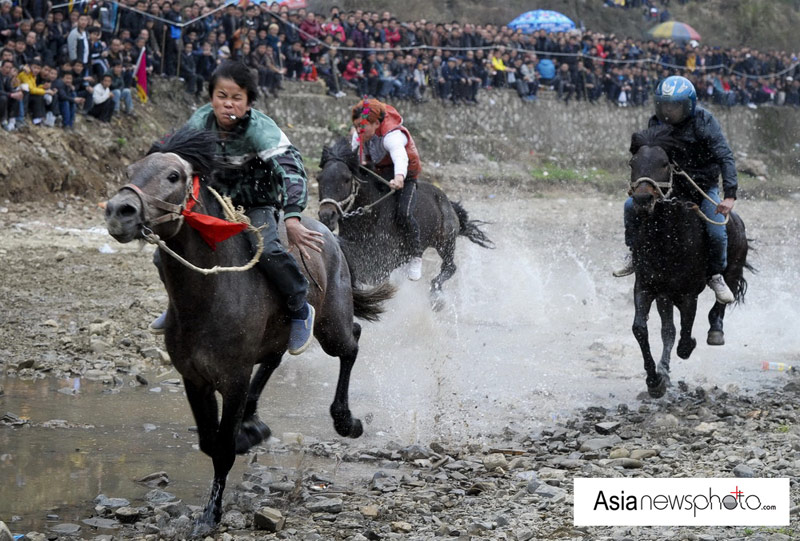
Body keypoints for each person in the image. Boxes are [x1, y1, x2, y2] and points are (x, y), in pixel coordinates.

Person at [150, 61, 323, 355]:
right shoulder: (200, 122)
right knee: (162, 252)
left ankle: (299, 305)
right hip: (213, 200)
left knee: (268, 249)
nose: (227, 104)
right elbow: (170, 153)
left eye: (236, 97)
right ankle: (176, 306)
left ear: (248, 102)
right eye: (221, 96)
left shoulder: (261, 130)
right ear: (211, 97)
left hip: (255, 202)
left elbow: (292, 169)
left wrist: (293, 216)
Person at [614, 75, 737, 304]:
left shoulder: (704, 121)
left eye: (675, 106)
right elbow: (649, 157)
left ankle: (716, 275)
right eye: (665, 105)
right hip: (668, 188)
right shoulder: (655, 123)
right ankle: (633, 253)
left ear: (688, 105)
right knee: (630, 206)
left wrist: (729, 195)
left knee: (717, 233)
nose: (670, 111)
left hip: (701, 187)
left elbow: (725, 157)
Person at [349, 98, 423, 281]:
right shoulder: (359, 133)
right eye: (357, 126)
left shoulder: (392, 135)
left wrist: (399, 177)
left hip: (404, 175)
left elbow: (400, 157)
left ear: (376, 123)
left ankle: (416, 255)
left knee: (404, 212)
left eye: (363, 126)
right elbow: (352, 155)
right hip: (378, 171)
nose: (359, 130)